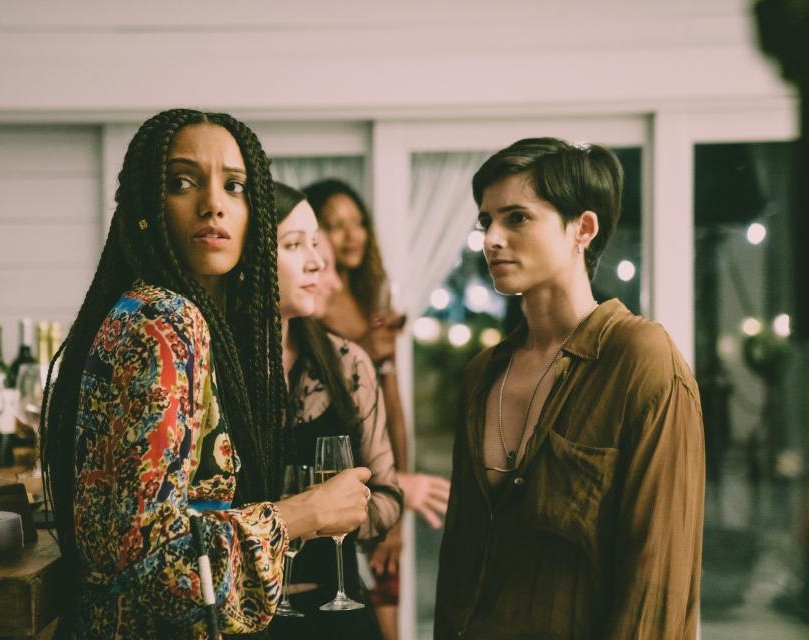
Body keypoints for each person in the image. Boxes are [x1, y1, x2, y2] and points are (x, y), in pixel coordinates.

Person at [41, 110, 372, 639]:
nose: (213, 203)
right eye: (181, 182)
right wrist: (304, 514)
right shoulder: (167, 320)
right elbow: (158, 565)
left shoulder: (150, 312)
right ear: (147, 206)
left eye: (234, 186)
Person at [434, 138, 705, 639]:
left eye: (516, 218)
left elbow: (658, 580)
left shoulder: (640, 359)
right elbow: (459, 560)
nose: (491, 238)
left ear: (583, 228)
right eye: (485, 221)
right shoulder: (483, 373)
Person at [303, 178, 450, 639]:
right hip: (338, 458)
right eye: (335, 225)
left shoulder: (368, 301)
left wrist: (398, 493)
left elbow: (392, 405)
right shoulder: (315, 303)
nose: (351, 235)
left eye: (357, 223)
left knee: (387, 590)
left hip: (381, 454)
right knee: (349, 590)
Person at [268, 183, 402, 639]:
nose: (318, 262)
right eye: (293, 245)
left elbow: (388, 493)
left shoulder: (348, 364)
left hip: (340, 614)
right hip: (247, 622)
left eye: (315, 244)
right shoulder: (208, 372)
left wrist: (332, 514)